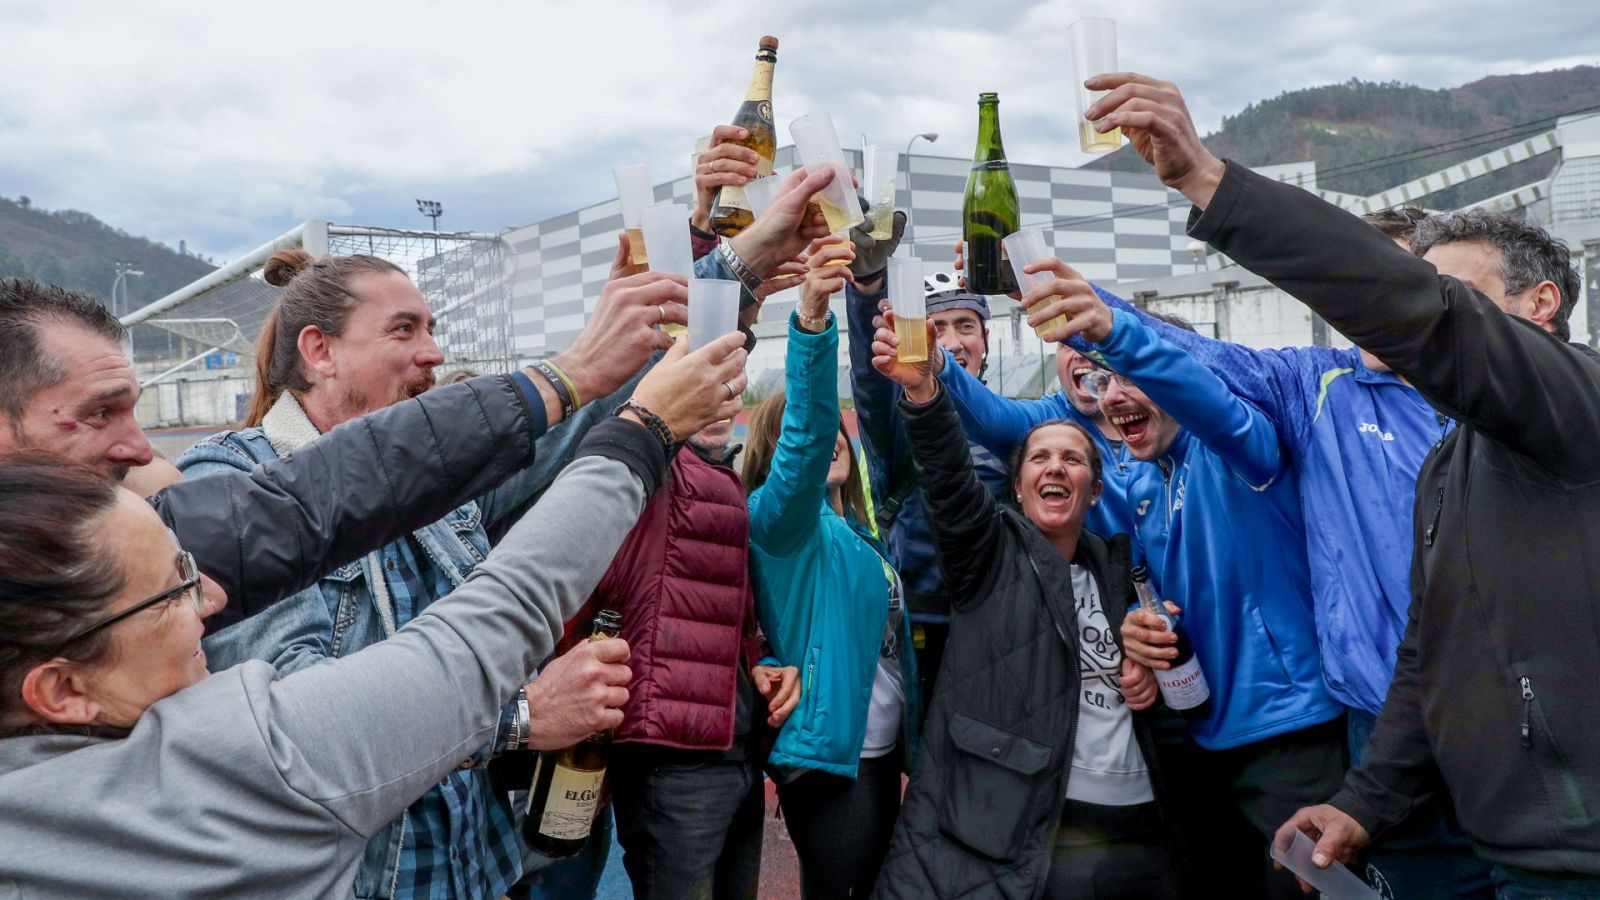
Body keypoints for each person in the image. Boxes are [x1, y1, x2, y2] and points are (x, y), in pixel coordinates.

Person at [1082, 70, 1600, 893]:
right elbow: (1428, 647)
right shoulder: (1444, 461)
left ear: (1541, 305)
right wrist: (1369, 795)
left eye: (1449, 298)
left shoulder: (1577, 406)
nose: (1409, 323)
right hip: (1413, 773)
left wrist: (1210, 182)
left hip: (1564, 843)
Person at [0, 331, 748, 897]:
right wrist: (518, 715)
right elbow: (480, 628)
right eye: (176, 589)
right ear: (318, 350)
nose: (216, 598)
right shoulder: (234, 758)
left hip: (471, 862)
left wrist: (711, 281)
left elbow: (358, 484)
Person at [1016, 210, 1487, 896]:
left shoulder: (1243, 443)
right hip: (1241, 733)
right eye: (1093, 382)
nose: (1111, 394)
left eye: (1126, 375)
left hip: (1313, 730)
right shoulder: (1141, 477)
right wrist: (1141, 632)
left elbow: (1209, 384)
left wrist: (1111, 323)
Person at [0, 276, 657, 626]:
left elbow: (574, 421)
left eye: (432, 329)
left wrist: (709, 263)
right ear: (319, 351)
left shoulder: (452, 480)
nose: (434, 352)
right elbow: (295, 716)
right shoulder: (229, 476)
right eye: (405, 329)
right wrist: (513, 716)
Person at [866, 310, 1186, 899]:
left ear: (1094, 489)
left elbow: (1179, 678)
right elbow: (948, 479)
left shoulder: (1122, 573)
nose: (1055, 466)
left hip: (1146, 827)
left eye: (1073, 460)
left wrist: (1153, 672)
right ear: (1017, 488)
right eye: (1039, 457)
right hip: (1044, 822)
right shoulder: (988, 555)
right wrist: (922, 389)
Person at [549, 417, 799, 900]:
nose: (722, 388)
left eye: (731, 370)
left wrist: (761, 664)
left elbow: (735, 622)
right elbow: (575, 611)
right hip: (670, 764)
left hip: (736, 752)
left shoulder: (725, 478)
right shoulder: (640, 467)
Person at [743, 236, 920, 900]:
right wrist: (815, 316)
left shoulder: (857, 534)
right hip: (827, 761)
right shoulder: (779, 523)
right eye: (815, 437)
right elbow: (810, 430)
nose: (832, 440)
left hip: (876, 755)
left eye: (840, 436)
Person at [842, 217, 1010, 698]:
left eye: (966, 326)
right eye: (938, 327)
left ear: (985, 340)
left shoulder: (1012, 423)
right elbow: (871, 381)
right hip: (925, 625)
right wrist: (868, 289)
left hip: (1003, 622)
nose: (954, 341)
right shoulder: (899, 421)